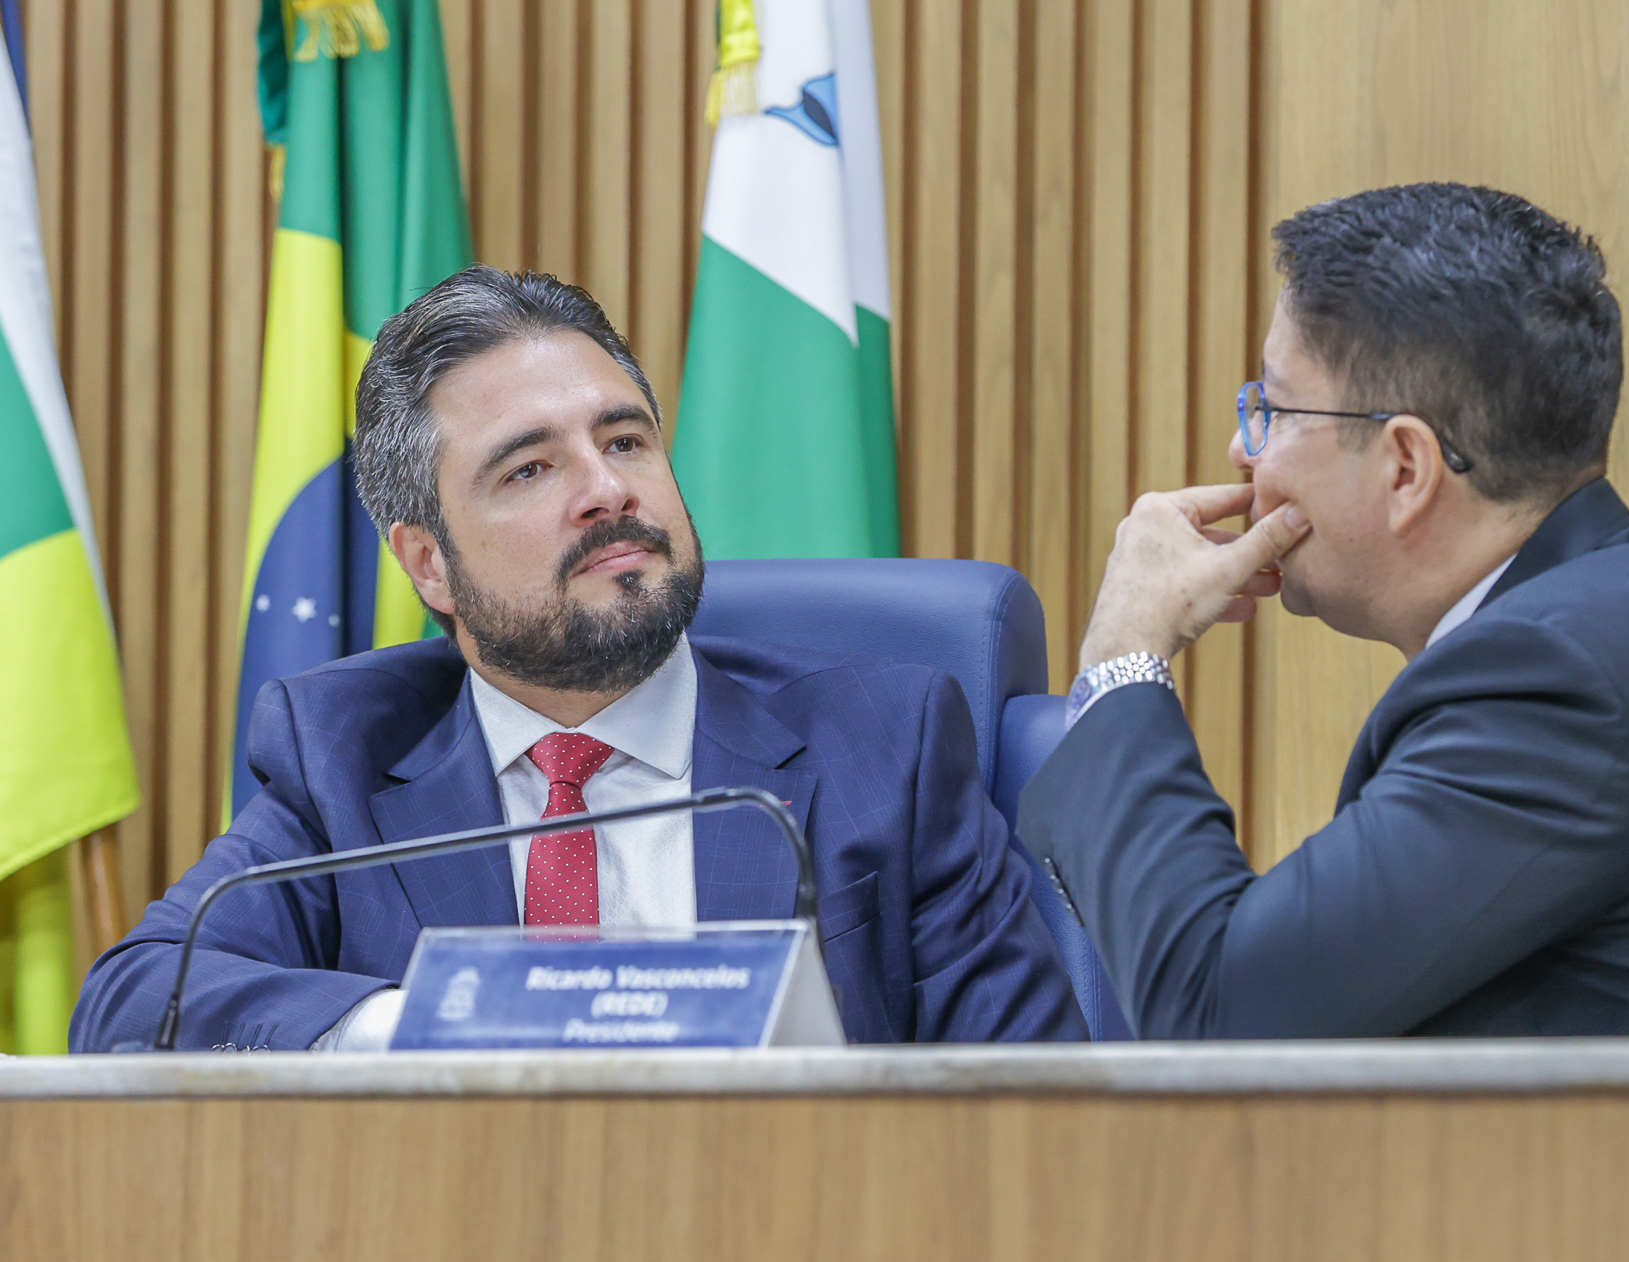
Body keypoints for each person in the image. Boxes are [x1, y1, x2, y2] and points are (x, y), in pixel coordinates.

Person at [1018, 183, 1629, 1038]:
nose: (1243, 447)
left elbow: (1221, 1015)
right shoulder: (1619, 609)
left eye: (1277, 408)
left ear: (1406, 468)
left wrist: (1125, 657)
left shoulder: (1558, 682)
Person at [72, 265, 1086, 1052]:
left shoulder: (885, 744)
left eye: (626, 440)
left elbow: (1036, 1108)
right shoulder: (346, 755)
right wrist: (432, 1025)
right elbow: (133, 1000)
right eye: (530, 468)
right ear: (429, 563)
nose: (607, 490)